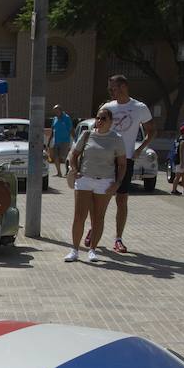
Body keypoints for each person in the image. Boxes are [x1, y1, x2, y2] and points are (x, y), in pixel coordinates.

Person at [97, 74, 152, 254]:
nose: (110, 91)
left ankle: (118, 238)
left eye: (112, 88)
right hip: (105, 159)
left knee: (121, 199)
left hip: (125, 160)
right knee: (100, 199)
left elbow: (152, 131)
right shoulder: (107, 107)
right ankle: (94, 230)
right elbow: (97, 130)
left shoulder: (139, 108)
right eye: (109, 89)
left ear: (123, 87)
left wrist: (140, 149)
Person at [64, 106, 126, 263]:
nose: (99, 121)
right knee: (79, 216)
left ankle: (92, 249)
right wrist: (75, 169)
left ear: (111, 122)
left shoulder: (116, 138)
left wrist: (117, 184)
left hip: (105, 182)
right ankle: (75, 250)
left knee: (98, 217)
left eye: (103, 118)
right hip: (84, 179)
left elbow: (122, 164)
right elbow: (74, 155)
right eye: (98, 117)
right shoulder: (87, 135)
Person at [48, 104, 73, 177]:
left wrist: (75, 139)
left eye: (57, 110)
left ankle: (68, 171)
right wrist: (49, 141)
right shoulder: (55, 119)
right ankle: (59, 172)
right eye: (54, 111)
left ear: (60, 110)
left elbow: (71, 129)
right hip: (56, 141)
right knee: (56, 157)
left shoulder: (67, 118)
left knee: (63, 157)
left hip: (65, 141)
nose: (56, 112)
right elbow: (53, 130)